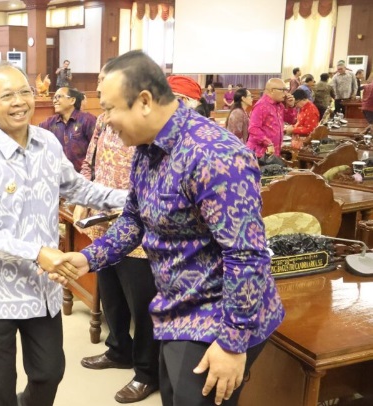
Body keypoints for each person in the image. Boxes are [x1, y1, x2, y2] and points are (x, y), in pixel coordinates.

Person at [49, 50, 285, 406]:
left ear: (145, 101)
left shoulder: (214, 154)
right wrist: (87, 259)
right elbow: (134, 218)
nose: (105, 119)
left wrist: (232, 342)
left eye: (110, 108)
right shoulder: (147, 149)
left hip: (217, 315)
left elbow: (247, 255)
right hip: (177, 307)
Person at [0, 61, 127, 406]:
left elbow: (77, 187)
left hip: (41, 289)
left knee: (49, 373)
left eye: (25, 92)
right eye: (7, 96)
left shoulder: (47, 142)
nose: (19, 102)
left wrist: (131, 199)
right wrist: (36, 252)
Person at [74, 64, 159, 404]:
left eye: (105, 82)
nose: (99, 88)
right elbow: (90, 162)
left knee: (142, 304)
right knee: (110, 294)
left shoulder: (151, 132)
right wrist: (83, 200)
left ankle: (146, 372)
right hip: (106, 224)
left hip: (139, 230)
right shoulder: (104, 121)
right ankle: (119, 349)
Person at [39, 87, 96, 172]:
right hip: (60, 176)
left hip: (83, 176)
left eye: (59, 97)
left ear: (72, 100)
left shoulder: (87, 120)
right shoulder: (50, 123)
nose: (54, 101)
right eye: (54, 98)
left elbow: (98, 149)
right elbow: (33, 133)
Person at [247, 78, 297, 157]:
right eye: (283, 90)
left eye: (286, 90)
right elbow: (253, 129)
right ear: (272, 90)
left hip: (274, 152)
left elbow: (292, 121)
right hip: (260, 153)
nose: (286, 94)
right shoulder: (261, 105)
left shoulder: (280, 105)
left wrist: (291, 106)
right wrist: (268, 143)